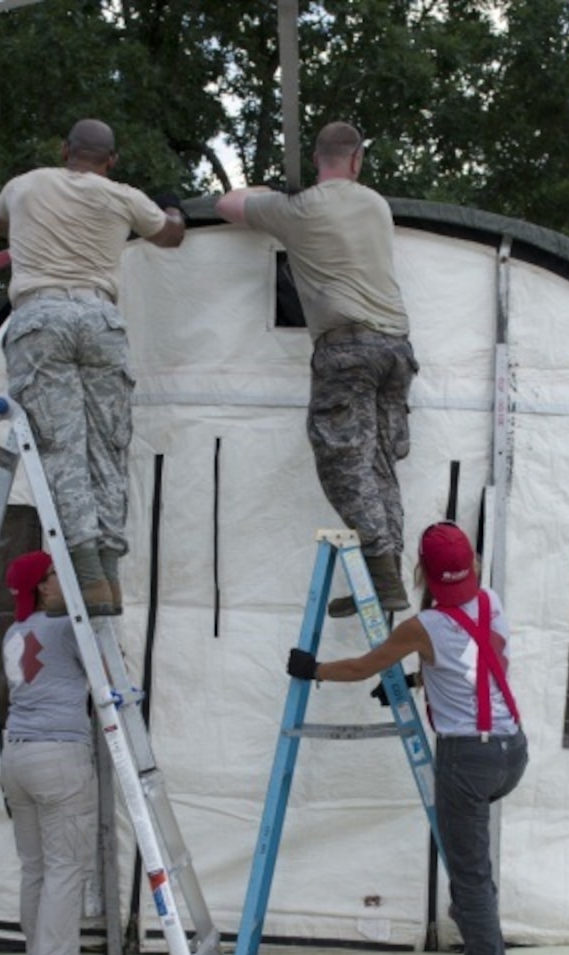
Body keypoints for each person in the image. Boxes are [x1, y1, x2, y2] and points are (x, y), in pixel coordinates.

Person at [286, 523, 527, 955]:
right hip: (511, 750)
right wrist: (423, 678)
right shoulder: (490, 601)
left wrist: (314, 670)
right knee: (474, 878)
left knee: (471, 885)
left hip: (469, 760)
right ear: (475, 566)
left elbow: (362, 666)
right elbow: (483, 662)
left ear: (422, 573)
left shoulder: (424, 626)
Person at [217, 121, 416, 618]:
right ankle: (386, 571)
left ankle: (381, 567)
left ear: (316, 160)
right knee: (378, 464)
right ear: (357, 161)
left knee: (343, 462)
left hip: (347, 349)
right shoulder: (376, 205)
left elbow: (226, 204)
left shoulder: (298, 211)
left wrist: (269, 190)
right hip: (396, 349)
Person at [0, 118, 186, 616]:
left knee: (62, 447)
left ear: (65, 151)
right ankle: (110, 577)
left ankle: (86, 573)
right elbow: (170, 235)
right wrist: (170, 207)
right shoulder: (123, 196)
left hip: (41, 318)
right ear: (111, 160)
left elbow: (1, 222)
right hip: (101, 321)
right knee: (108, 447)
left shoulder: (25, 185)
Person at [0, 550, 104, 955]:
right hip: (59, 754)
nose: (68, 578)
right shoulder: (65, 627)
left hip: (17, 754)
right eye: (58, 573)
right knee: (66, 869)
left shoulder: (15, 630)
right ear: (43, 586)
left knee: (36, 869)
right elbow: (103, 674)